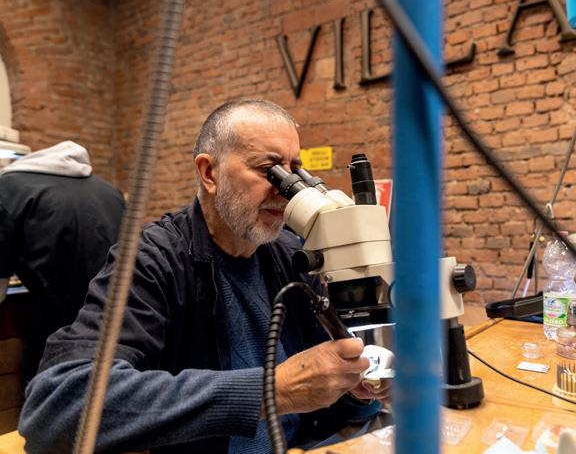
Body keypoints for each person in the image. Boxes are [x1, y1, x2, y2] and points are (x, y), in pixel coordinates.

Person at [18, 99, 389, 454]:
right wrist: (271, 391)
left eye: (294, 171)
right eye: (269, 169)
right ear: (209, 173)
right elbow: (56, 406)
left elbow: (325, 398)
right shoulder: (153, 260)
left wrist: (357, 386)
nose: (286, 191)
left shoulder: (290, 255)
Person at [0, 140, 125, 384]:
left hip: (56, 332)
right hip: (119, 327)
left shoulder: (8, 189)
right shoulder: (110, 191)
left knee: (49, 399)